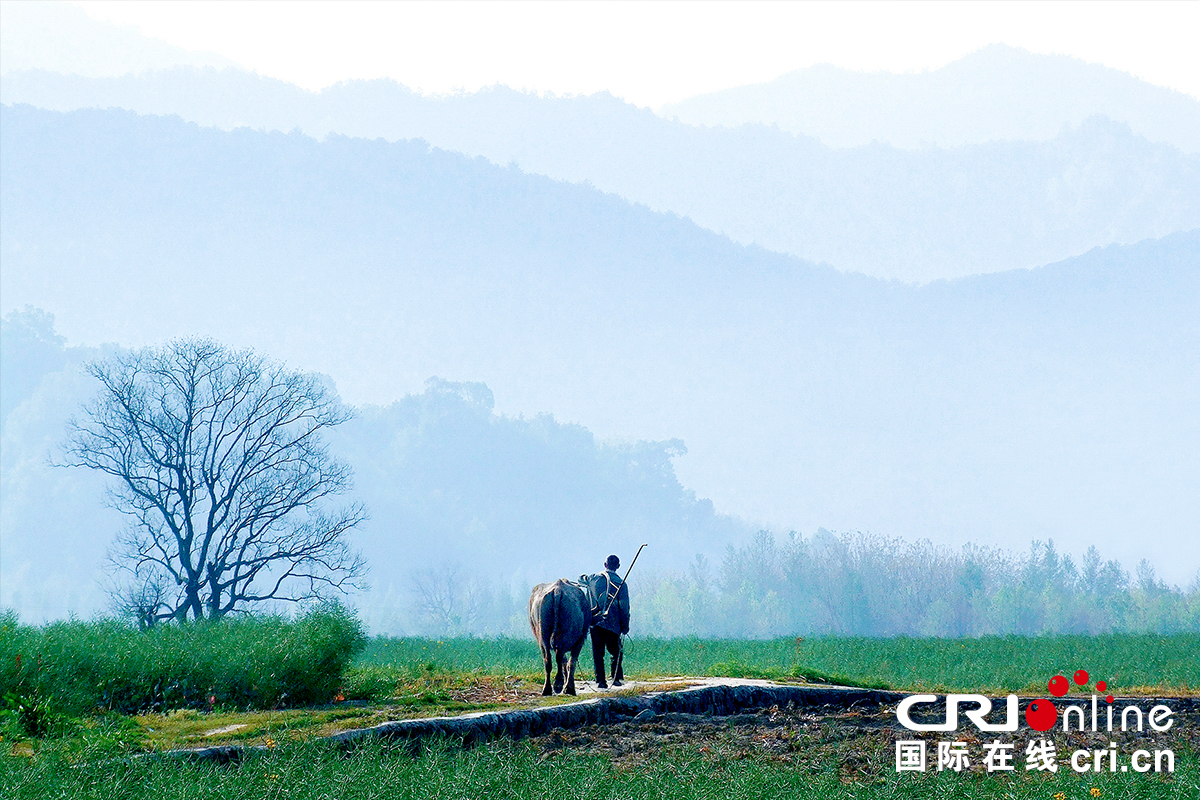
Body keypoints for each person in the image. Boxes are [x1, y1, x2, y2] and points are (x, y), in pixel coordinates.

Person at [586, 554, 630, 689]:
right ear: (618, 567)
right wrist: (625, 625)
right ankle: (616, 678)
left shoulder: (593, 579)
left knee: (597, 653)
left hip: (595, 623)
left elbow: (587, 600)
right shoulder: (621, 584)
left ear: (605, 565)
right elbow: (624, 606)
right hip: (613, 624)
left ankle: (600, 681)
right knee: (616, 651)